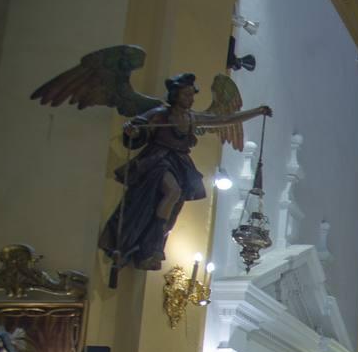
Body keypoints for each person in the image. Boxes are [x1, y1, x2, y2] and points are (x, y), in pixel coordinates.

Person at [101, 74, 272, 274]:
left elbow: (223, 119)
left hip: (180, 165)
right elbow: (138, 127)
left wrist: (257, 111)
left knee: (174, 200)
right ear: (176, 95)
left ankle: (154, 240)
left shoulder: (191, 118)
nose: (190, 99)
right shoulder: (160, 114)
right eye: (186, 95)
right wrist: (133, 131)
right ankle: (152, 240)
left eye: (192, 95)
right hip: (157, 161)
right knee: (171, 192)